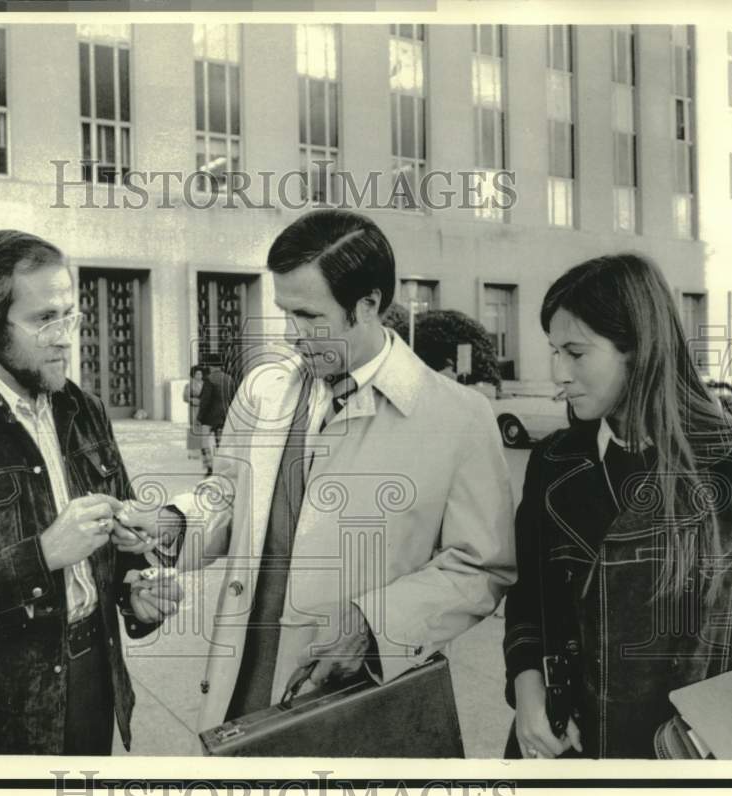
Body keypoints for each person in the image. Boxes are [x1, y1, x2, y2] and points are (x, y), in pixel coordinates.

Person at [115, 209, 516, 734]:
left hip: (354, 700)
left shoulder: (458, 417)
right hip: (245, 685)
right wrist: (173, 521)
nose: (291, 333)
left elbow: (481, 568)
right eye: (285, 312)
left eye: (307, 316)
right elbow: (229, 495)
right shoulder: (264, 390)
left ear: (368, 304)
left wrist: (377, 627)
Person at [0, 229, 181, 754]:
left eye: (69, 314)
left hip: (94, 684)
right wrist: (42, 555)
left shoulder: (84, 411)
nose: (65, 335)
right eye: (44, 319)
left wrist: (136, 592)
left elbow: (118, 546)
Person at [503, 253, 732, 760]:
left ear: (638, 349)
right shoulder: (554, 461)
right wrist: (527, 691)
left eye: (575, 354)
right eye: (554, 351)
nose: (558, 373)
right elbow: (528, 599)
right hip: (564, 745)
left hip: (689, 759)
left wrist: (729, 728)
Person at [196, 359, 236, 476]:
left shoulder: (209, 379)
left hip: (209, 417)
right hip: (224, 415)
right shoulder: (229, 379)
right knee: (221, 443)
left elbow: (205, 400)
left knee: (204, 443)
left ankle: (210, 467)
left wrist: (199, 417)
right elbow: (233, 396)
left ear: (211, 367)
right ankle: (222, 468)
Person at [182, 364, 207, 468]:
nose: (199, 375)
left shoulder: (205, 384)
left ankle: (203, 450)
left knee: (203, 428)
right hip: (194, 408)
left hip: (203, 408)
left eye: (200, 374)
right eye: (197, 374)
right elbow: (185, 397)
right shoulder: (189, 385)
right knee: (194, 428)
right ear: (193, 374)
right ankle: (193, 452)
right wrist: (193, 400)